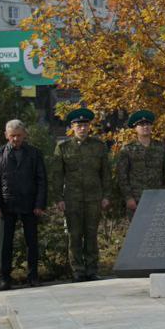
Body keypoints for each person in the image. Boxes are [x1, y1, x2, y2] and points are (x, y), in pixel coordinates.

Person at [0, 119, 47, 290]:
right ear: (6, 135)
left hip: (30, 203)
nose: (15, 139)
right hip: (7, 204)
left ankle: (33, 276)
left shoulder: (35, 153)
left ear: (25, 135)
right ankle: (4, 279)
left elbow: (42, 180)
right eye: (12, 136)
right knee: (5, 243)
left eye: (19, 136)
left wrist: (40, 204)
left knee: (32, 242)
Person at [54, 108, 110, 282]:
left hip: (94, 197)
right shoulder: (63, 147)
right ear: (72, 127)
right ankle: (78, 270)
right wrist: (59, 198)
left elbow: (106, 174)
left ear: (89, 127)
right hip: (72, 198)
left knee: (91, 234)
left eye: (85, 125)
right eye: (79, 125)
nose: (82, 128)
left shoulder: (99, 146)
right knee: (75, 234)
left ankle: (92, 269)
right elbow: (57, 175)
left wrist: (106, 195)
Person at [116, 111, 165, 215]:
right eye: (141, 125)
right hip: (137, 199)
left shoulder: (161, 147)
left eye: (148, 124)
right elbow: (122, 176)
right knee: (138, 230)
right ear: (135, 128)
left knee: (157, 229)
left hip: (158, 197)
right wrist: (128, 198)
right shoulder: (128, 149)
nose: (145, 127)